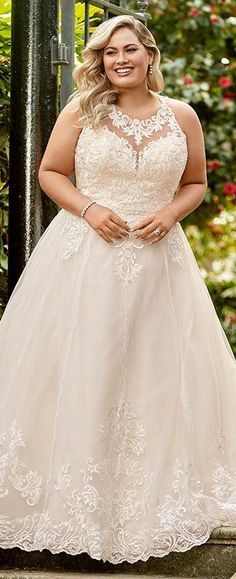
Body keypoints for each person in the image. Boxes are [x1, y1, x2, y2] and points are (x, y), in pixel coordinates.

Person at [0, 14, 235, 565]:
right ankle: (75, 501)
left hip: (159, 262)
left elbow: (196, 182)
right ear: (100, 62)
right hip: (86, 256)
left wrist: (170, 214)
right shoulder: (82, 112)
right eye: (109, 53)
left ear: (150, 55)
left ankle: (148, 499)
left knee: (154, 373)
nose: (119, 59)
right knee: (85, 365)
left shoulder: (182, 116)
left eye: (129, 49)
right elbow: (50, 172)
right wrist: (91, 208)